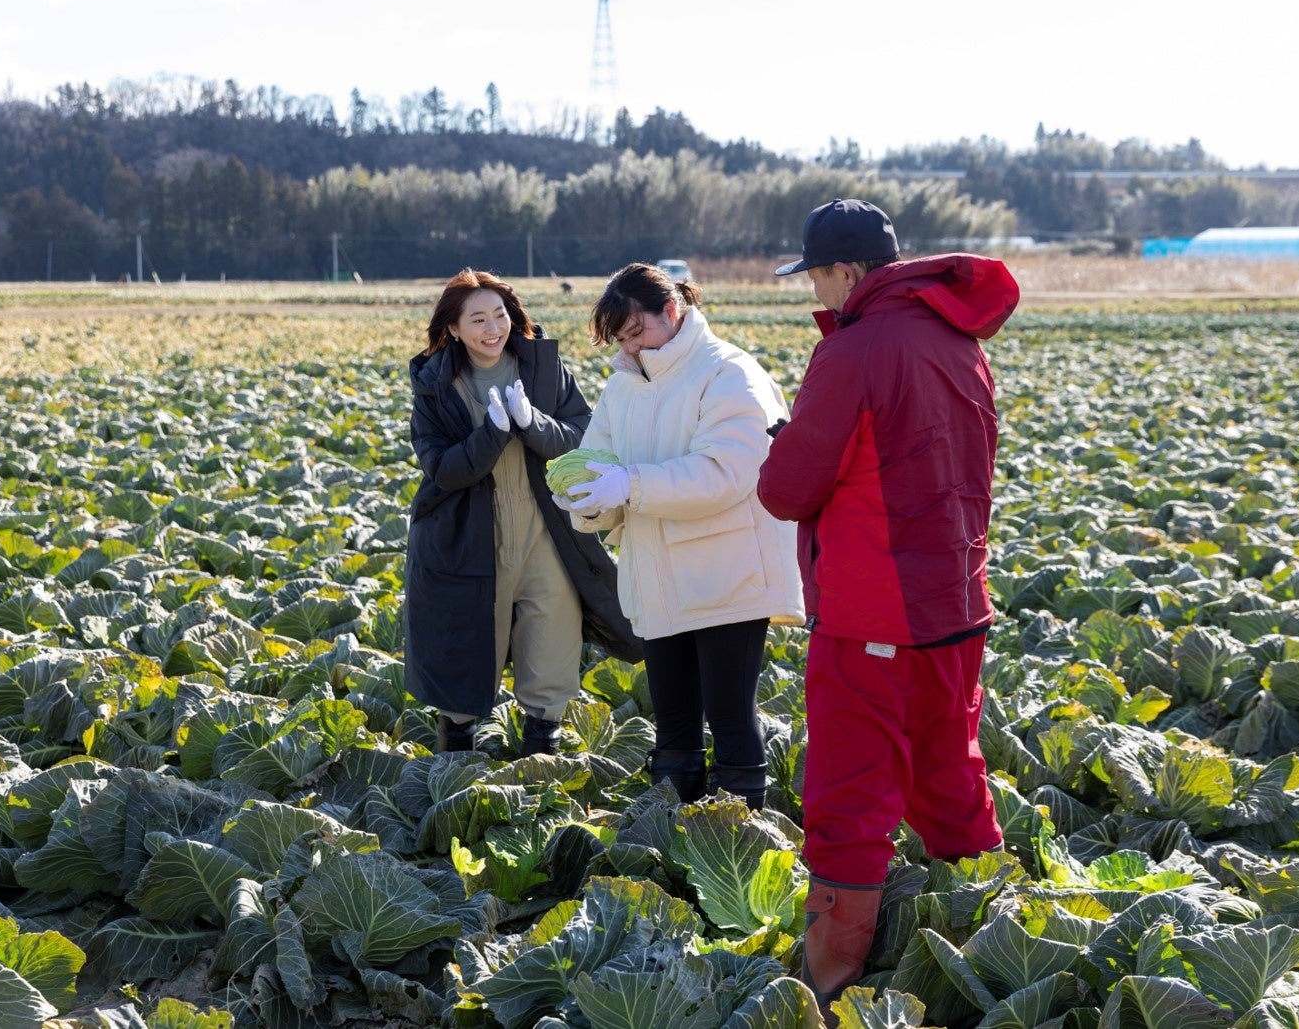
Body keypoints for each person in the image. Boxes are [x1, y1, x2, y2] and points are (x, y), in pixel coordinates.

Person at [756, 199, 1021, 1013]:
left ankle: (831, 982)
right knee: (950, 775)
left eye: (820, 277)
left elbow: (789, 487)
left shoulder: (854, 350)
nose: (821, 294)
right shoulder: (960, 340)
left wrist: (780, 445)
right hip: (957, 601)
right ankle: (1005, 941)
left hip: (875, 611)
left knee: (849, 792)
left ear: (846, 271)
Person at [558, 263, 802, 809]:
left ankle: (742, 833)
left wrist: (630, 485)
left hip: (726, 575)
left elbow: (727, 473)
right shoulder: (623, 387)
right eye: (623, 339)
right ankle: (673, 834)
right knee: (672, 718)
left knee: (730, 714)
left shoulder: (730, 373)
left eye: (638, 331)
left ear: (672, 312)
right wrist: (585, 499)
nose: (634, 347)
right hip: (655, 574)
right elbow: (598, 460)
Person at [405, 269, 640, 756]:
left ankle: (540, 763)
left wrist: (534, 423)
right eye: (478, 319)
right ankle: (456, 765)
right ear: (453, 329)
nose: (493, 328)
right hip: (467, 539)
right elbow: (441, 470)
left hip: (546, 533)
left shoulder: (543, 369)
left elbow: (581, 437)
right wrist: (491, 433)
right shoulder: (434, 387)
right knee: (465, 647)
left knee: (551, 643)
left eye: (500, 315)